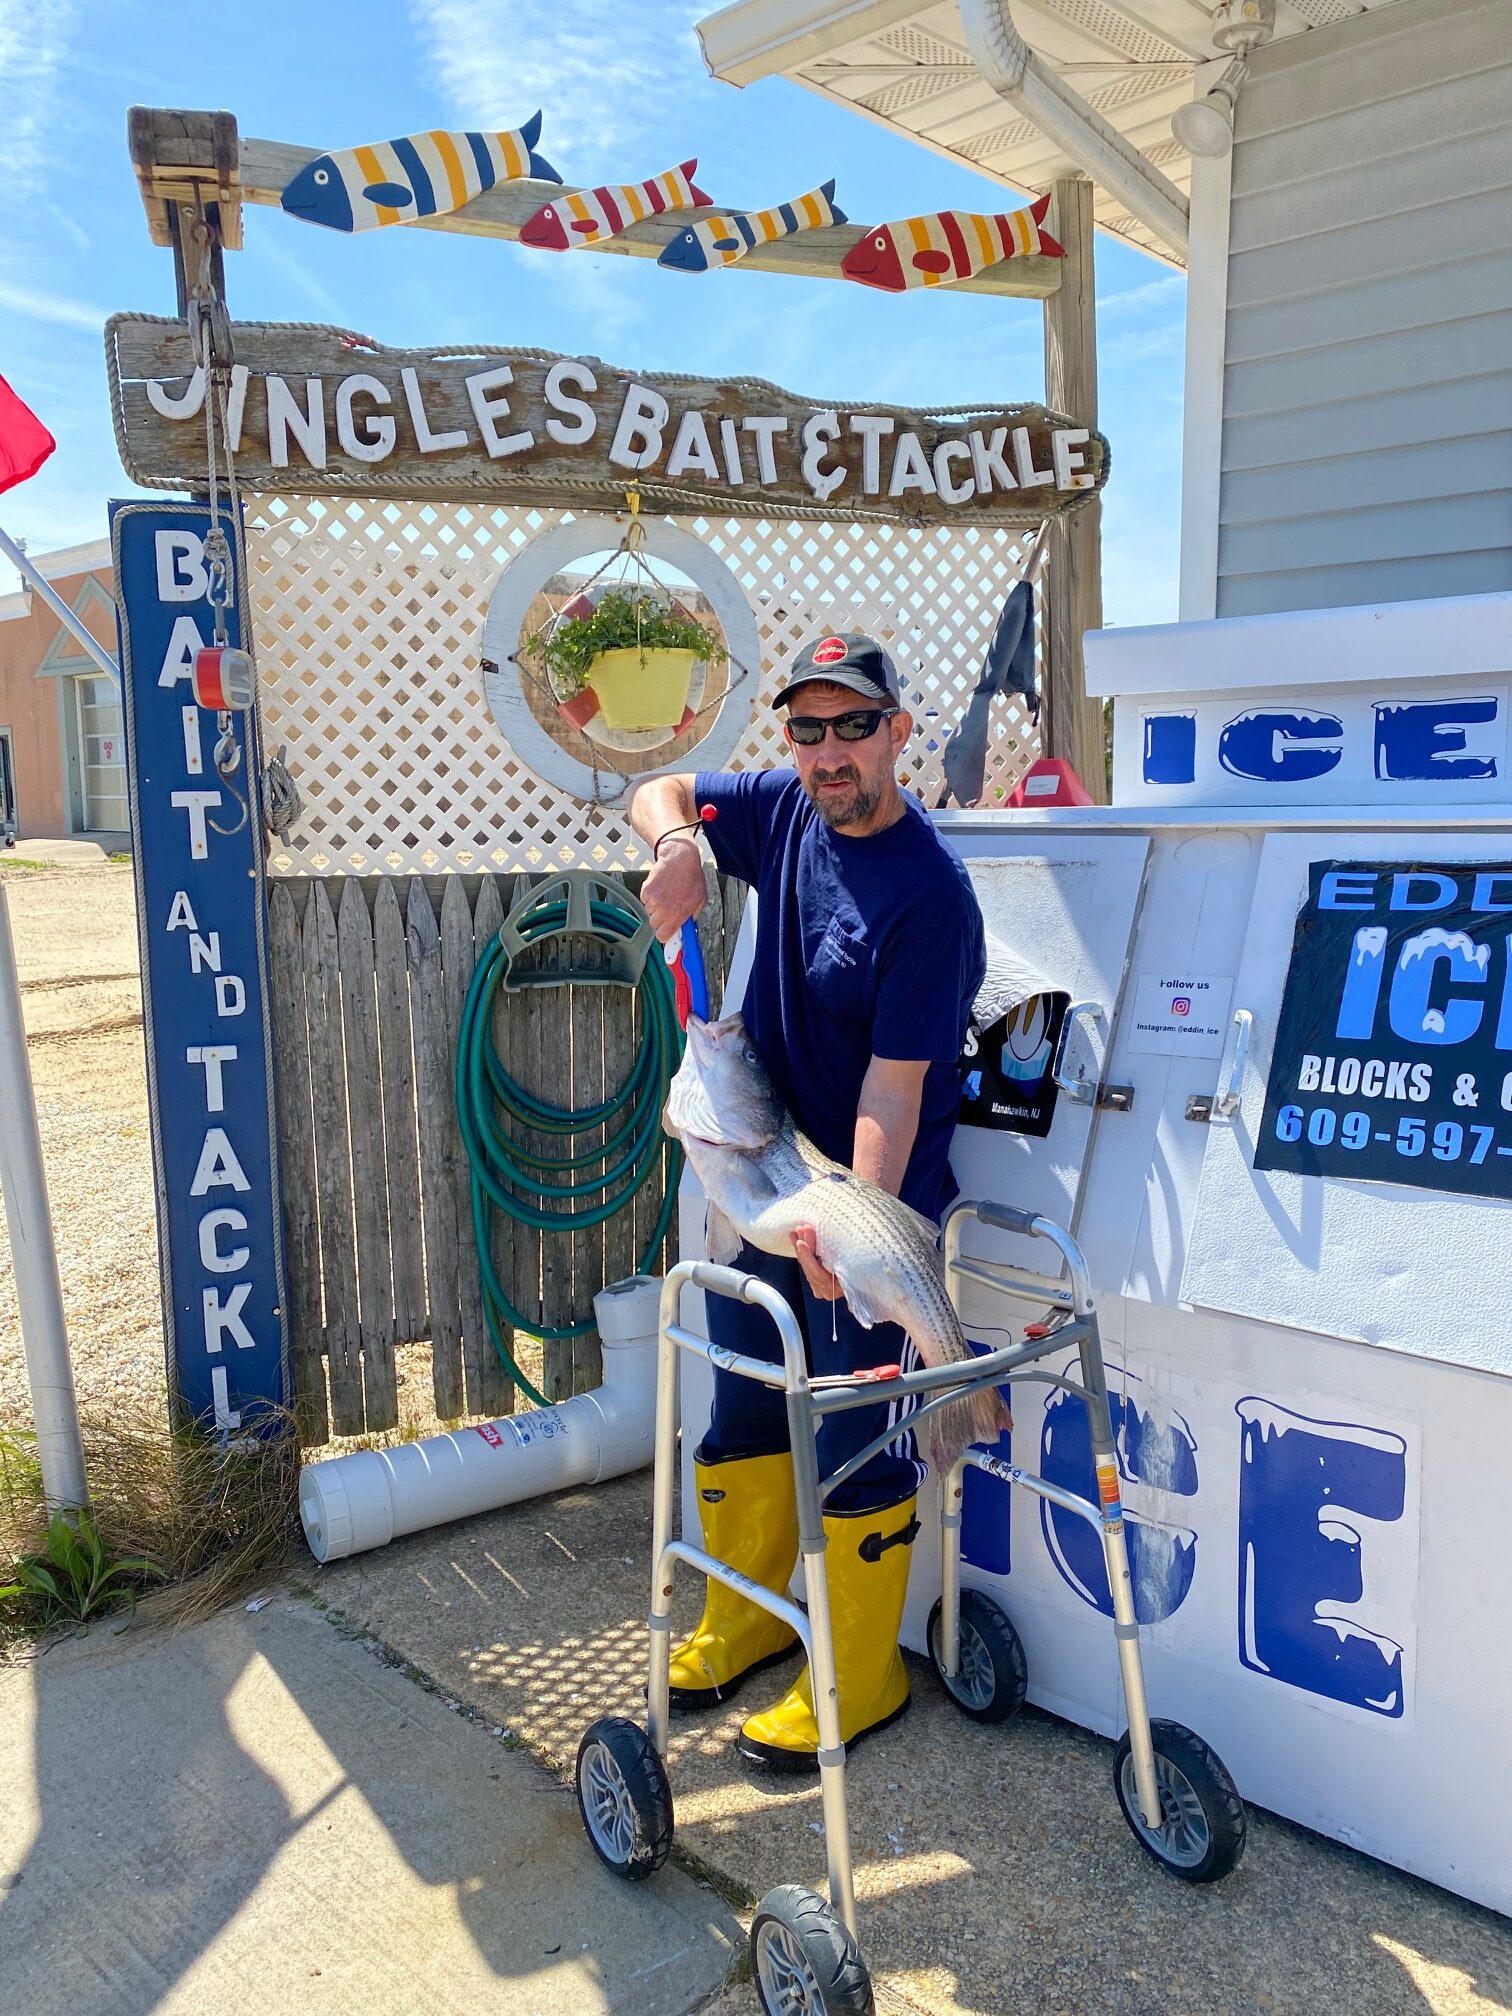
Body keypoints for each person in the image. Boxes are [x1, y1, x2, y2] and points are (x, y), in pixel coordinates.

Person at [628, 631, 987, 1772]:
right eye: (808, 728)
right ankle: (741, 1623)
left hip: (860, 1201)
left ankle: (859, 1677)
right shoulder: (784, 811)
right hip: (763, 1175)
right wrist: (681, 843)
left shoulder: (933, 900)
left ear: (898, 733)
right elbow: (660, 785)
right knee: (740, 1407)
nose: (829, 753)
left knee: (852, 1438)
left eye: (853, 727)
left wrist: (851, 1226)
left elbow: (896, 1089)